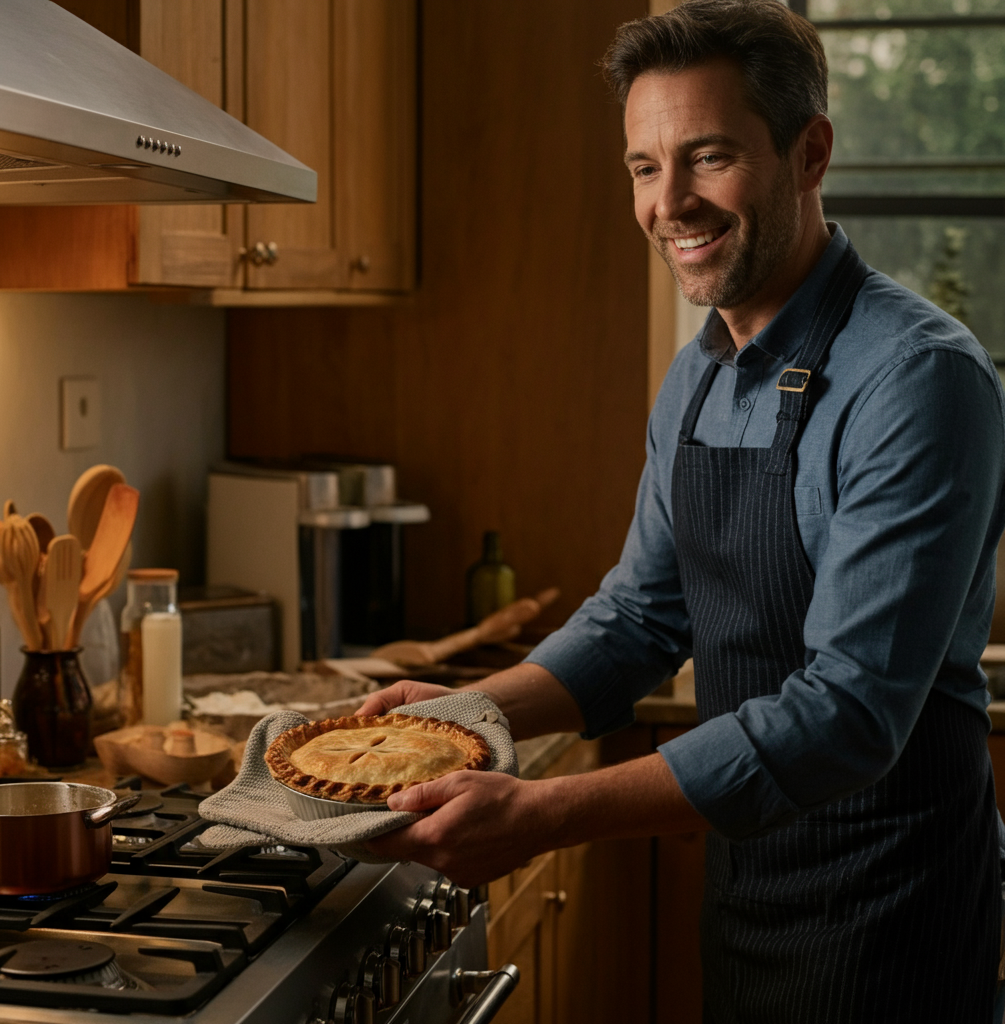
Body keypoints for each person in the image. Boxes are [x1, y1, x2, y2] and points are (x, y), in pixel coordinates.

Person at [356, 1, 1005, 1019]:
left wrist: (541, 813)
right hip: (747, 897)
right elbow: (639, 621)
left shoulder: (917, 378)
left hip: (892, 922)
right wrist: (462, 715)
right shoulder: (700, 371)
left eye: (707, 157)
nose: (672, 203)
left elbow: (845, 714)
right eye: (644, 166)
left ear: (809, 152)